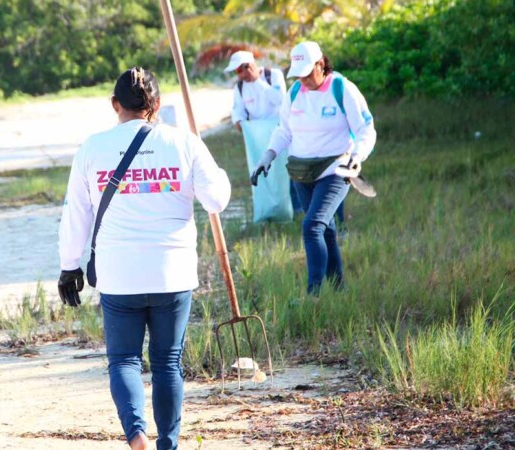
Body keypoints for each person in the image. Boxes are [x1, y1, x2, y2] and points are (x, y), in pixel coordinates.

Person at [57, 68, 231, 450]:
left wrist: (69, 265)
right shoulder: (184, 143)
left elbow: (76, 214)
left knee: (123, 361)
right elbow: (217, 200)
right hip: (172, 273)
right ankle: (168, 444)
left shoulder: (92, 147)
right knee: (168, 363)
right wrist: (211, 167)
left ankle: (136, 438)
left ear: (115, 104)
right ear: (157, 104)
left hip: (120, 276)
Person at [251, 41, 376, 294]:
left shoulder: (343, 89)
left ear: (321, 64)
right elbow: (283, 131)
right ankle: (338, 288)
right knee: (326, 230)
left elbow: (366, 129)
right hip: (301, 173)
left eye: (308, 73)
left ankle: (314, 294)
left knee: (312, 226)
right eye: (299, 74)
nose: (303, 80)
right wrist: (268, 155)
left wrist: (357, 155)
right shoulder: (295, 92)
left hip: (336, 170)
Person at [224, 50, 303, 216]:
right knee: (265, 170)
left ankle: (296, 208)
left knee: (287, 169)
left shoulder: (273, 75)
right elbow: (237, 110)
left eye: (241, 70)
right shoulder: (239, 87)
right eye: (237, 72)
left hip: (280, 130)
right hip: (258, 136)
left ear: (250, 66)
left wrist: (258, 81)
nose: (240, 75)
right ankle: (271, 210)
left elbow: (280, 100)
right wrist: (238, 122)